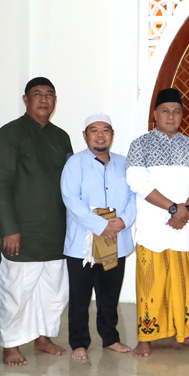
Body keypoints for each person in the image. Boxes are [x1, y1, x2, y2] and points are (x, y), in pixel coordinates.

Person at [0, 77, 74, 366]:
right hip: (22, 232)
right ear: (25, 99)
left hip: (55, 231)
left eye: (49, 94)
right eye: (36, 94)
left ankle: (43, 337)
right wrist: (10, 228)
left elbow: (71, 183)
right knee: (17, 290)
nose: (43, 99)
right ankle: (11, 344)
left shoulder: (61, 137)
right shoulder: (9, 134)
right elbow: (0, 184)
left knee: (53, 291)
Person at [126, 88, 189, 357]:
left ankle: (185, 335)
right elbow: (137, 182)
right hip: (153, 226)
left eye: (176, 111)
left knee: (183, 282)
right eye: (165, 111)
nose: (171, 116)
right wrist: (173, 208)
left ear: (182, 115)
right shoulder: (140, 145)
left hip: (182, 226)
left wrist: (185, 210)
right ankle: (145, 338)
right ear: (155, 114)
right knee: (151, 283)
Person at [61, 113, 137, 360]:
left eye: (106, 130)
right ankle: (79, 343)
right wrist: (100, 225)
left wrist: (123, 221)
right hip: (83, 243)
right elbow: (71, 199)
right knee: (80, 297)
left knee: (109, 295)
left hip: (116, 240)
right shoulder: (75, 164)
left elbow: (135, 197)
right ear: (85, 135)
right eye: (94, 130)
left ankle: (110, 339)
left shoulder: (125, 163)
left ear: (112, 135)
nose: (100, 134)